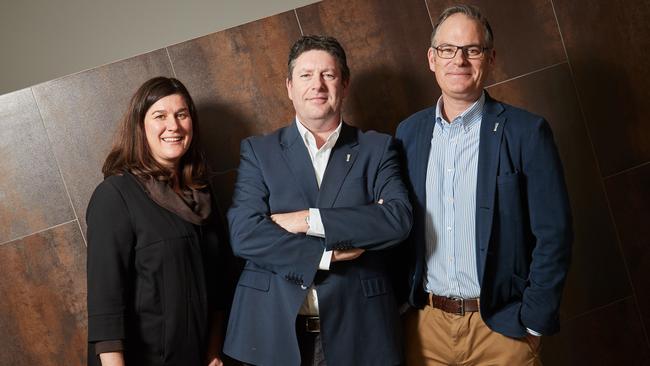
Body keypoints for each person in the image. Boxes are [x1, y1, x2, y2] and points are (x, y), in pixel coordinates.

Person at [395, 5, 572, 365]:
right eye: (447, 49)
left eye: (472, 50)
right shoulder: (407, 134)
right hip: (425, 329)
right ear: (432, 58)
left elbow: (554, 234)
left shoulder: (526, 133)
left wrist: (534, 325)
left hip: (503, 329)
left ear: (490, 59)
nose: (459, 60)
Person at [223, 35, 412, 366]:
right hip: (274, 332)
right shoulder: (259, 151)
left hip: (359, 331)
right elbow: (244, 234)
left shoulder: (378, 148)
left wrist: (307, 220)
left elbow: (396, 220)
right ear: (289, 87)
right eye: (306, 75)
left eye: (328, 74)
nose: (318, 85)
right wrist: (326, 254)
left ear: (345, 84)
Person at [86, 77, 227, 366]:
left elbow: (219, 287)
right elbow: (105, 308)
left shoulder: (201, 193)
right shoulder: (115, 195)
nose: (173, 126)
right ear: (140, 127)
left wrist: (213, 353)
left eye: (182, 114)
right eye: (160, 116)